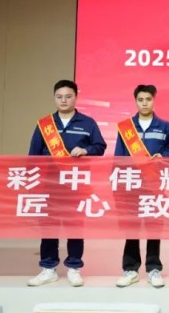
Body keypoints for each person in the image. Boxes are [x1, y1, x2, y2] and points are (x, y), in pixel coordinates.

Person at [27, 79, 107, 287]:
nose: (63, 100)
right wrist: (33, 183)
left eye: (68, 96)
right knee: (49, 228)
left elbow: (100, 146)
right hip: (50, 185)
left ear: (76, 97)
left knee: (75, 227)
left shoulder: (88, 123)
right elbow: (33, 156)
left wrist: (86, 150)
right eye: (59, 97)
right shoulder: (45, 124)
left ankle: (74, 267)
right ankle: (48, 268)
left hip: (76, 185)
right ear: (54, 98)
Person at [114, 84, 169, 288]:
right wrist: (118, 184)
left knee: (154, 227)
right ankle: (130, 269)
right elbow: (119, 157)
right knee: (132, 228)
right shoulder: (126, 128)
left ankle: (153, 268)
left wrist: (163, 156)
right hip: (131, 185)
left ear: (153, 100)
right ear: (136, 101)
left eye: (148, 99)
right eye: (141, 100)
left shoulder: (165, 127)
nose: (144, 103)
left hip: (154, 184)